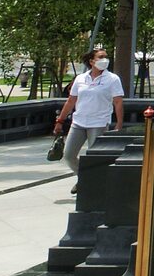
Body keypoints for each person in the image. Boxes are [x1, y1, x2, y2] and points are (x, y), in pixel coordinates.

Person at [53, 46, 125, 193]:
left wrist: (119, 123)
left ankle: (94, 187)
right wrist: (60, 121)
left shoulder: (112, 79)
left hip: (99, 123)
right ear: (92, 61)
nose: (104, 60)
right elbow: (71, 101)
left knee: (95, 157)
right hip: (79, 122)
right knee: (68, 155)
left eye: (106, 57)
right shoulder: (81, 78)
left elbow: (118, 102)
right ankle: (84, 177)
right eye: (101, 57)